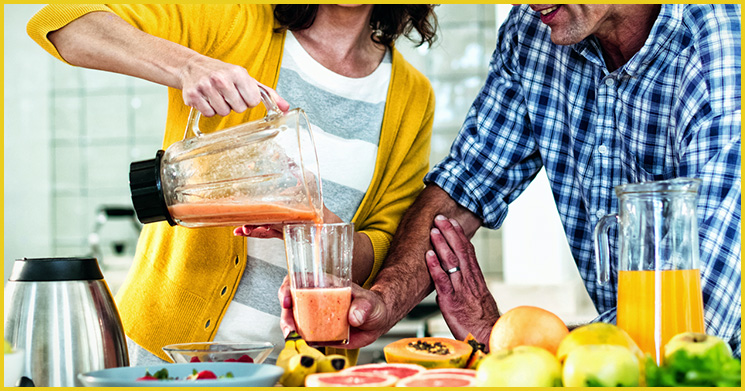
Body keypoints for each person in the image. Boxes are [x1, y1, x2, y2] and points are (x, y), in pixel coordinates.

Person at [280, 4, 741, 357]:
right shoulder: (534, 32)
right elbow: (464, 189)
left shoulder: (721, 47)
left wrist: (512, 343)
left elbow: (697, 318)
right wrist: (383, 301)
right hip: (611, 366)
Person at [28, 4, 438, 364]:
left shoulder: (413, 96)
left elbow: (385, 249)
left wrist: (316, 224)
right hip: (166, 355)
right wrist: (189, 66)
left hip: (302, 369)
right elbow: (62, 23)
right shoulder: (232, 19)